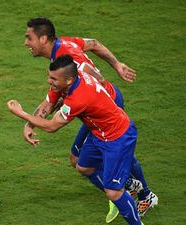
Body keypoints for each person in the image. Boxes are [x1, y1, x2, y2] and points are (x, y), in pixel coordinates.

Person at [24, 17, 157, 220]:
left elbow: (90, 81)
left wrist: (82, 96)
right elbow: (93, 44)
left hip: (104, 109)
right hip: (102, 105)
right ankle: (139, 191)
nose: (26, 43)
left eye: (29, 38)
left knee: (85, 159)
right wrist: (117, 64)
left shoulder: (69, 59)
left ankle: (130, 189)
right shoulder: (63, 48)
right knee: (86, 160)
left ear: (43, 39)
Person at [8, 55, 145, 225]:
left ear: (69, 80)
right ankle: (126, 185)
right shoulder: (76, 74)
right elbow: (52, 100)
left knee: (113, 193)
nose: (49, 81)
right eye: (50, 76)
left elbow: (52, 127)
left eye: (53, 79)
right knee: (84, 167)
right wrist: (30, 126)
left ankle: (130, 209)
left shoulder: (78, 98)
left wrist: (21, 114)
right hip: (99, 132)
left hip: (118, 136)